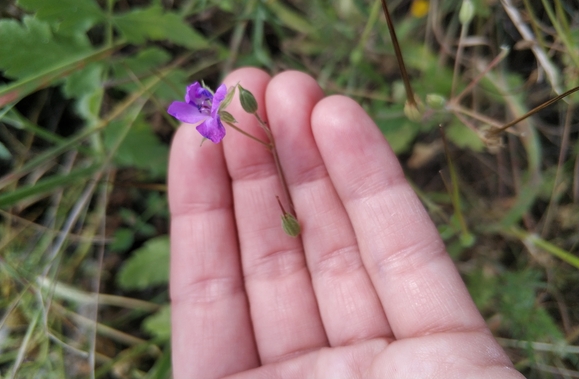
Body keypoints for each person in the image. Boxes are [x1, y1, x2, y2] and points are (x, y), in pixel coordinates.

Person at [168, 68, 525, 378]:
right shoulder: (216, 123)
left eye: (208, 104)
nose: (207, 107)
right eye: (203, 107)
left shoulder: (223, 111)